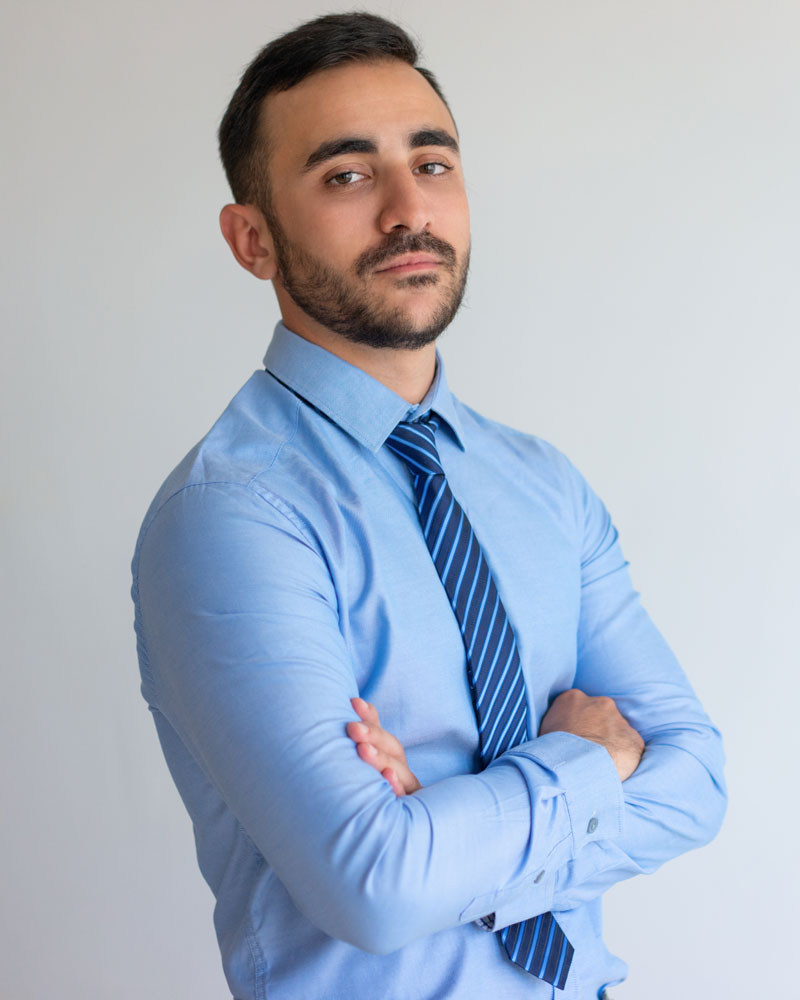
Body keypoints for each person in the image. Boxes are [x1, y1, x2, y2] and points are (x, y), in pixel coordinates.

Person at [131, 12, 726, 1000]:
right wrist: (582, 763)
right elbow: (376, 888)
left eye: (432, 163)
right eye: (346, 175)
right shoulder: (230, 516)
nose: (409, 209)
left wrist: (455, 836)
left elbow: (695, 783)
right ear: (252, 240)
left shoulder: (541, 483)